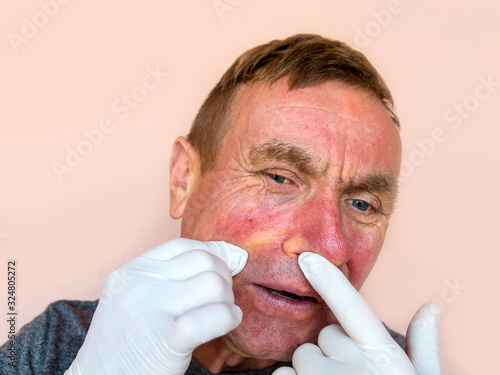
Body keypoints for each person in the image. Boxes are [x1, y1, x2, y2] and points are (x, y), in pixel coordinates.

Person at [0, 34, 441, 375]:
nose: (327, 244)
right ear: (183, 179)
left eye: (362, 204)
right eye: (279, 178)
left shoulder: (397, 367)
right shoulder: (64, 342)